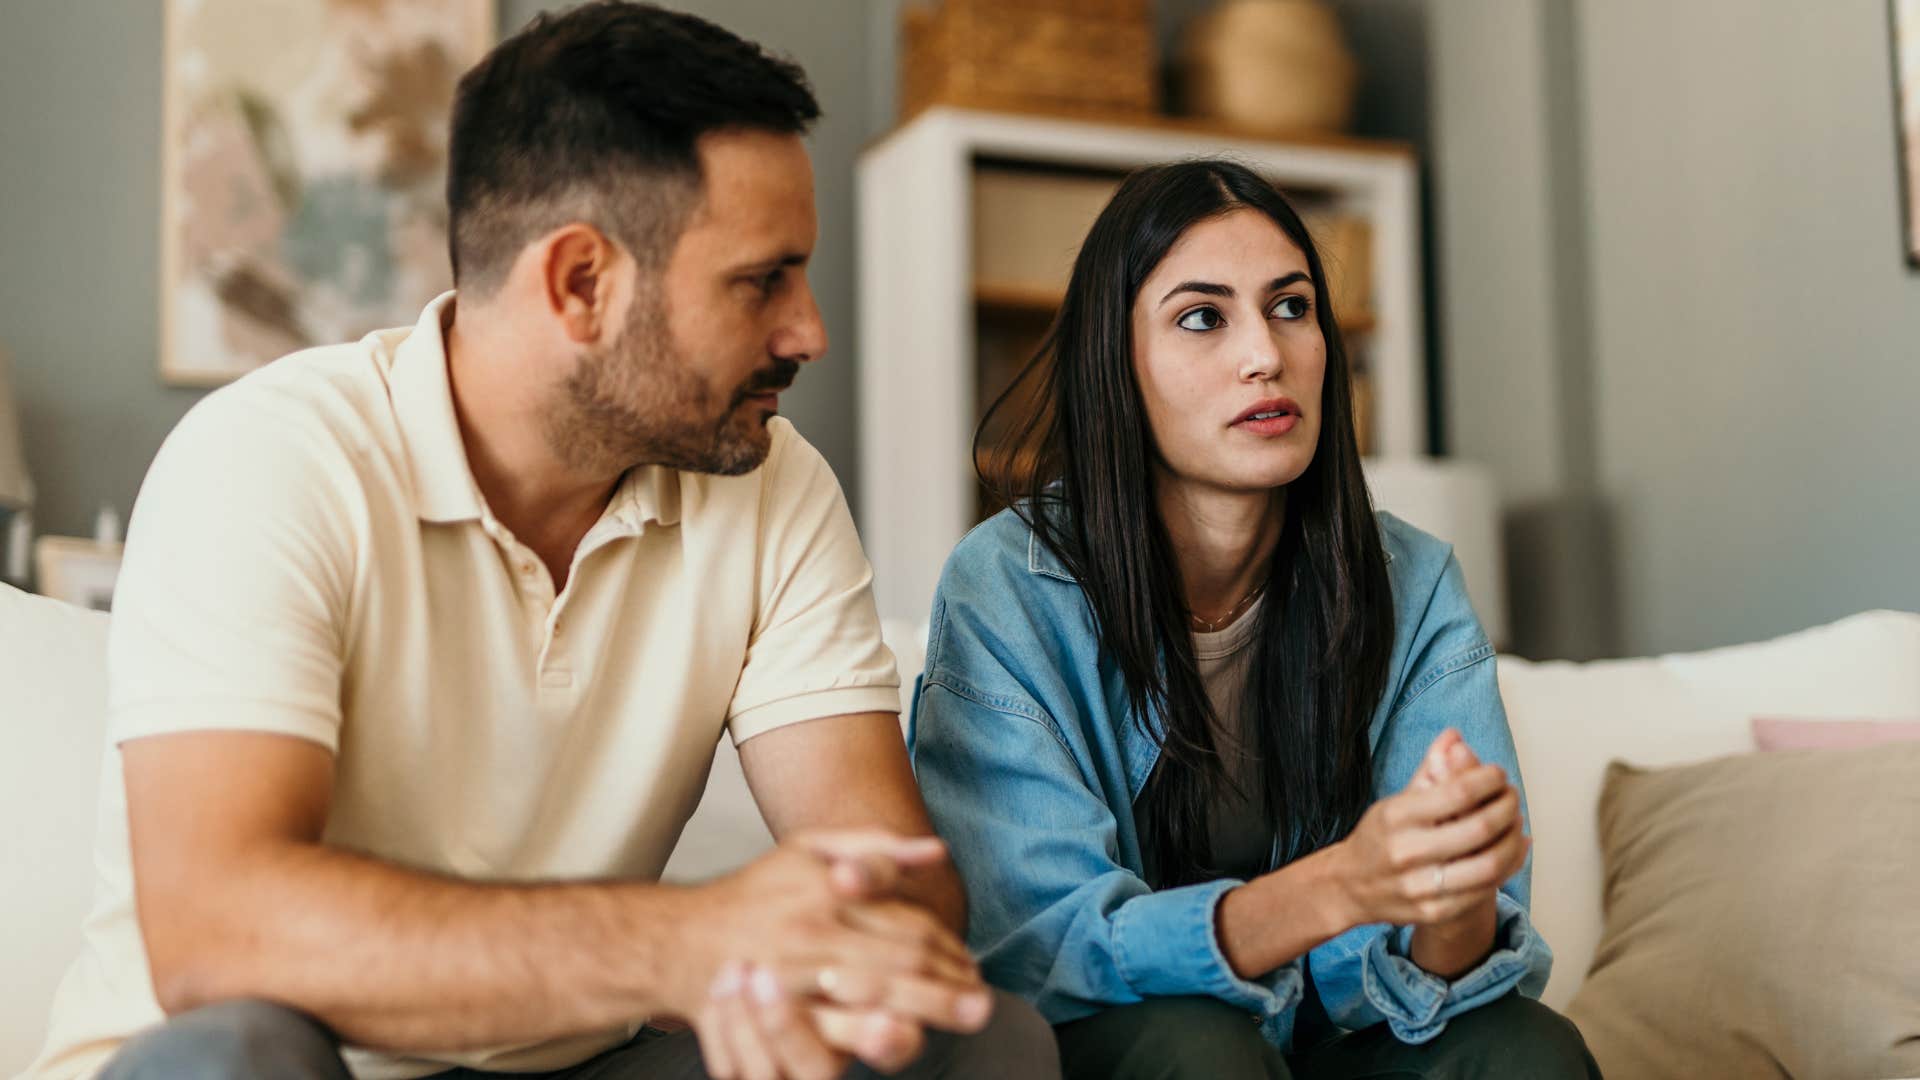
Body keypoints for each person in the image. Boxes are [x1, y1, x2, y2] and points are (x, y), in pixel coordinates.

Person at [24, 4, 1056, 1079]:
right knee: (244, 1051)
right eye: (763, 280)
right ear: (580, 283)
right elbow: (221, 936)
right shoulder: (269, 458)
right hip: (272, 1057)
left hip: (573, 1065)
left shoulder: (770, 484)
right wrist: (673, 947)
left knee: (968, 1045)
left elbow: (892, 884)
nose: (809, 332)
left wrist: (802, 953)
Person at [906, 160, 1600, 1079]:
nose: (1265, 355)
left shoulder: (1413, 579)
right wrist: (1336, 888)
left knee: (1524, 1050)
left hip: (1324, 1051)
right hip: (1121, 1046)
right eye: (1203, 317)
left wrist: (1453, 899)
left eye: (1292, 307)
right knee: (1200, 1048)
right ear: (1116, 363)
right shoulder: (1007, 586)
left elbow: (1439, 978)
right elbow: (1040, 946)